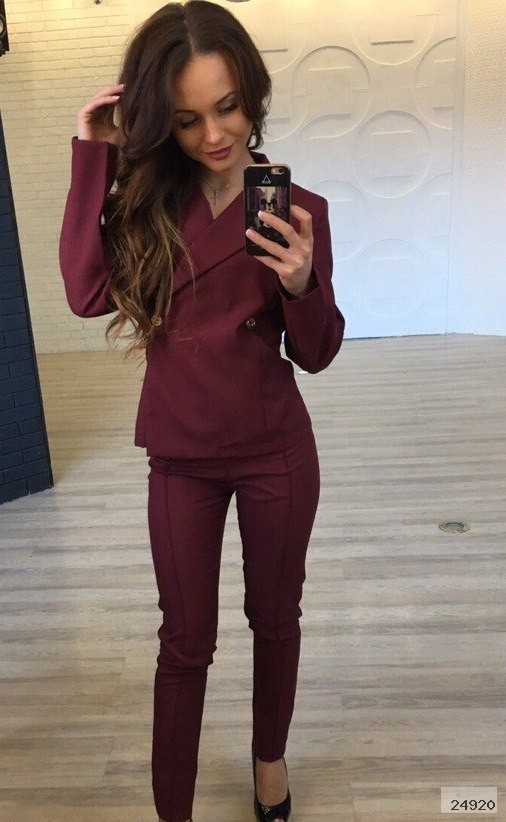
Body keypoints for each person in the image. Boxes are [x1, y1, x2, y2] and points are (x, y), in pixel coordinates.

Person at [59, 2, 345, 820]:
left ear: (253, 93)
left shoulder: (297, 208)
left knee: (275, 617)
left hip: (273, 449)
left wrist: (301, 284)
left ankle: (269, 761)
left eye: (227, 107)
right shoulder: (148, 202)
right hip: (180, 455)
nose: (214, 135)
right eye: (186, 120)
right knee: (184, 642)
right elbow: (85, 293)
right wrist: (95, 155)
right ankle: (172, 809)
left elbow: (316, 353)